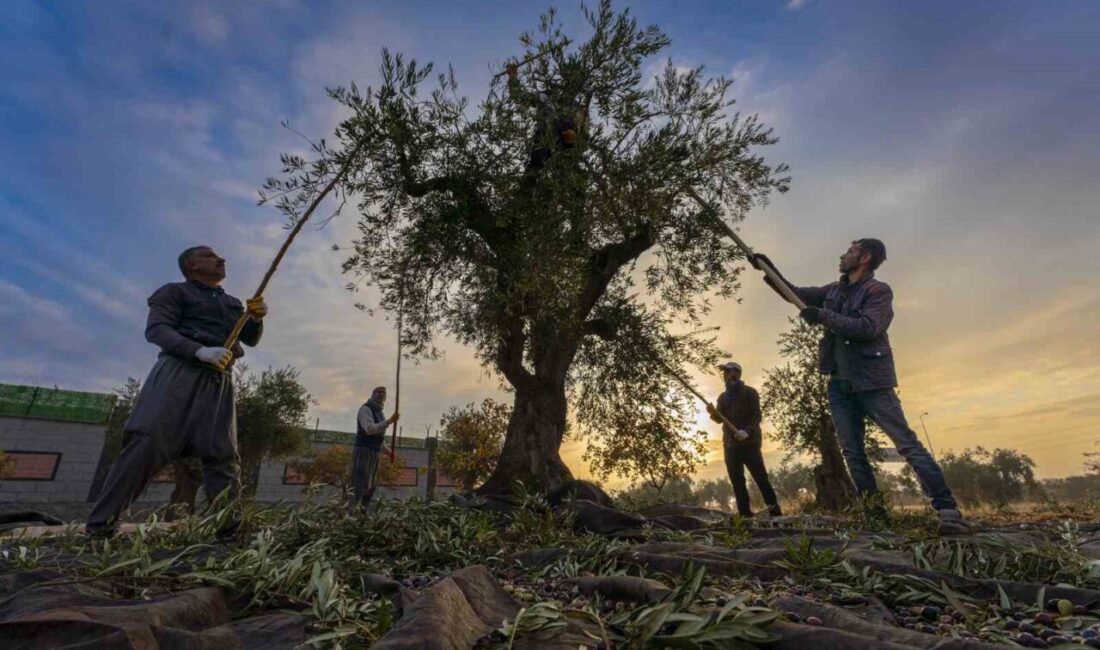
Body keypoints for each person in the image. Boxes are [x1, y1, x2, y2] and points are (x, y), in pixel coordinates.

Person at [752, 239, 972, 535]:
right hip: (839, 384)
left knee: (906, 444)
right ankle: (876, 518)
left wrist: (822, 316)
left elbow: (868, 328)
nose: (843, 255)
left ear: (865, 258)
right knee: (853, 453)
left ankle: (947, 510)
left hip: (872, 382)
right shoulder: (834, 290)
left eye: (850, 251)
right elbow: (796, 294)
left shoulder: (878, 291)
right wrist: (768, 269)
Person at [86, 245, 267, 538]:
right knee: (147, 442)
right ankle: (101, 527)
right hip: (178, 373)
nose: (221, 259)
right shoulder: (173, 293)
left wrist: (256, 318)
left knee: (223, 454)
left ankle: (230, 532)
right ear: (192, 264)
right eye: (210, 256)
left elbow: (251, 339)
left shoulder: (233, 303)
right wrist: (198, 351)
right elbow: (157, 330)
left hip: (220, 380)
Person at [706, 361, 782, 518]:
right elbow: (719, 419)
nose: (726, 375)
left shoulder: (750, 392)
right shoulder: (723, 397)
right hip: (730, 445)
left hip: (750, 444)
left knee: (761, 479)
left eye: (729, 372)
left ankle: (776, 513)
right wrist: (712, 413)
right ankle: (745, 515)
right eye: (725, 372)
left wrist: (747, 431)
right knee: (737, 482)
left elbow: (756, 416)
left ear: (737, 373)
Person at [506, 61, 582, 174]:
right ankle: (526, 188)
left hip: (566, 142)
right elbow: (518, 96)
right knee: (534, 167)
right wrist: (513, 77)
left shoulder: (573, 103)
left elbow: (582, 124)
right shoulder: (543, 96)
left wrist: (576, 134)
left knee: (570, 173)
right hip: (544, 134)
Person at [349, 386, 399, 513]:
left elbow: (379, 440)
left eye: (383, 392)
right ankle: (353, 515)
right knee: (360, 484)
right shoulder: (365, 409)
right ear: (373, 394)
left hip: (374, 454)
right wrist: (389, 422)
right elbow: (370, 429)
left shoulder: (380, 413)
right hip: (363, 451)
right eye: (378, 392)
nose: (381, 394)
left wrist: (389, 453)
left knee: (370, 487)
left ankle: (362, 514)